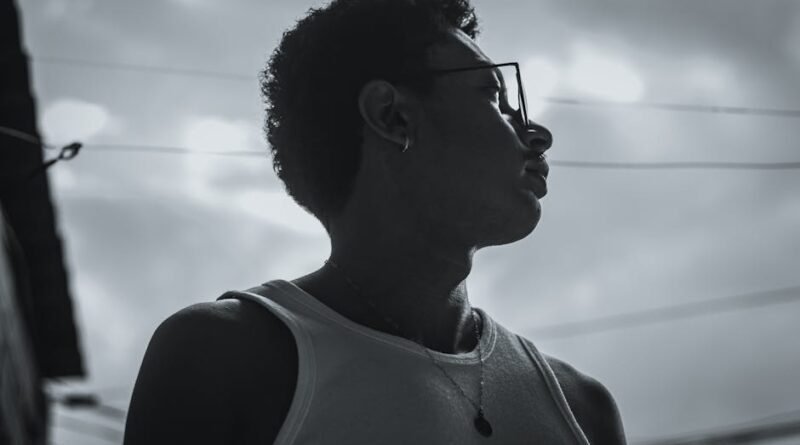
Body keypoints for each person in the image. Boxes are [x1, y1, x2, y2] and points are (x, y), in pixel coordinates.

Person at [123, 0, 627, 443]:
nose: (538, 135)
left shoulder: (583, 409)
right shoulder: (225, 360)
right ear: (391, 116)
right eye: (494, 96)